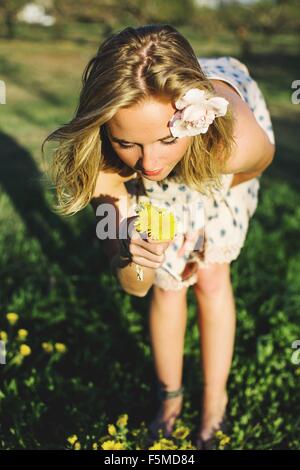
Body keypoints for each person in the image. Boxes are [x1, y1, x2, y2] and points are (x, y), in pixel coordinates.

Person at [43, 24, 275, 449]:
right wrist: (132, 258)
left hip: (221, 167)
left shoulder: (230, 142)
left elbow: (258, 163)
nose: (149, 162)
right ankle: (170, 400)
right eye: (128, 142)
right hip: (173, 179)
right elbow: (134, 288)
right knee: (167, 290)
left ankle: (213, 402)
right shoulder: (106, 168)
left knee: (211, 275)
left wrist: (206, 199)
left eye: (166, 140)